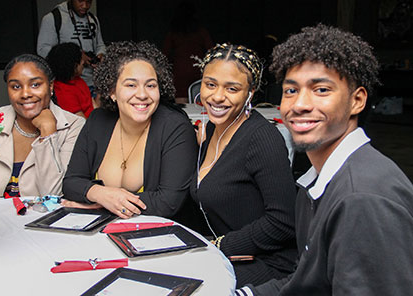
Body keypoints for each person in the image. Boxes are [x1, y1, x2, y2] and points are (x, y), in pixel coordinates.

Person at [236, 24, 413, 296]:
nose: (299, 104)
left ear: (357, 101)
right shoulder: (318, 181)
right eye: (291, 91)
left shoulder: (362, 199)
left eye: (321, 90)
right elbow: (306, 281)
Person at [190, 43, 297, 288]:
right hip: (228, 256)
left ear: (251, 92)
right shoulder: (210, 131)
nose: (217, 96)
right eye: (210, 84)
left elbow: (283, 221)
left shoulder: (262, 138)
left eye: (232, 88)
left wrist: (219, 246)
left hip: (268, 264)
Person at [62, 41, 198, 220]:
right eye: (131, 85)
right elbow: (71, 183)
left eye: (150, 85)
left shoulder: (176, 128)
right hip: (99, 236)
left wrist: (97, 206)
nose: (142, 95)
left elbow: (167, 203)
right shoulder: (97, 121)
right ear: (112, 91)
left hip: (156, 239)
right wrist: (101, 194)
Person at [0, 54, 85, 198]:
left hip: (41, 219)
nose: (25, 94)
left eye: (35, 85)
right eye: (16, 86)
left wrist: (48, 133)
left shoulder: (74, 127)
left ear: (50, 86)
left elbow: (54, 195)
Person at [37, 0, 106, 101]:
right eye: (80, 1)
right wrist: (75, 56)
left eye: (89, 2)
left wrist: (101, 54)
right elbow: (42, 49)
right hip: (66, 85)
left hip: (92, 83)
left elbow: (100, 44)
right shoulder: (53, 18)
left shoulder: (92, 19)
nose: (85, 6)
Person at [162, 0, 213, 104]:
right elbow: (211, 51)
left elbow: (165, 54)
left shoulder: (174, 32)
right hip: (197, 68)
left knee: (182, 103)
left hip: (179, 70)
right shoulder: (201, 31)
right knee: (199, 101)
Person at [47, 42, 94, 118]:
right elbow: (80, 121)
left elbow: (93, 104)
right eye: (80, 60)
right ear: (73, 66)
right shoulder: (63, 91)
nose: (83, 62)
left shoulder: (79, 80)